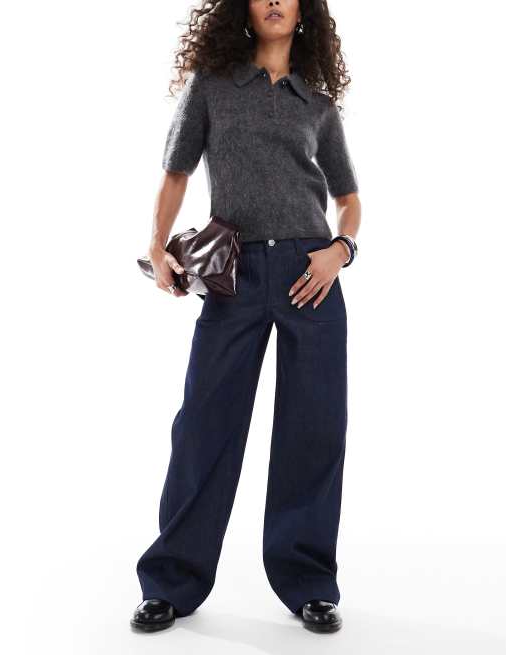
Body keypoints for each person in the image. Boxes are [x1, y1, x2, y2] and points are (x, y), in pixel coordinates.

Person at [131, 0, 362, 634]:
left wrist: (340, 251)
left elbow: (348, 199)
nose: (275, 1)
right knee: (204, 425)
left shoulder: (317, 105)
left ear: (304, 12)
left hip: (310, 273)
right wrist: (157, 244)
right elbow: (176, 173)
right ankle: (171, 582)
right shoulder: (211, 88)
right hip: (234, 275)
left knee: (314, 430)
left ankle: (309, 583)